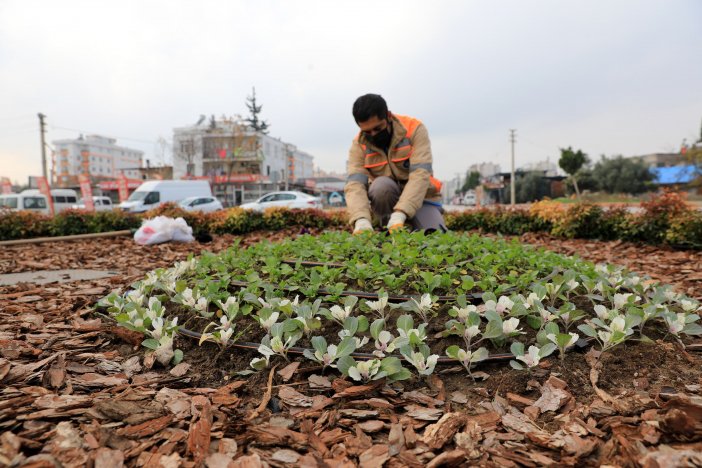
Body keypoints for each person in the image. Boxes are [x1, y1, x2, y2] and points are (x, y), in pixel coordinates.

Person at [344, 93, 446, 234]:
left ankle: (404, 223)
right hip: (387, 200)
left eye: (378, 128)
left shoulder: (414, 129)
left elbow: (420, 175)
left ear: (388, 116)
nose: (373, 134)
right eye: (367, 131)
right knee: (380, 187)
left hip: (422, 198)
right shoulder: (359, 144)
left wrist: (401, 213)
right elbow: (355, 184)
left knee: (434, 235)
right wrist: (361, 219)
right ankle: (387, 229)